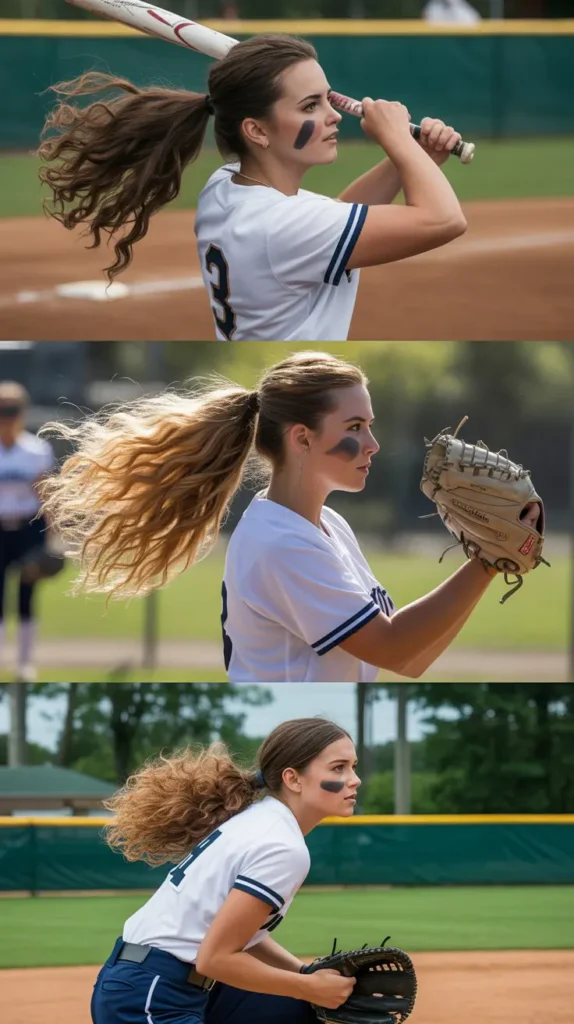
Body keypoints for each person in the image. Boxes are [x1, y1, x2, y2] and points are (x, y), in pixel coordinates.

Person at [38, 351, 542, 684]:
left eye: (370, 425)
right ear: (301, 437)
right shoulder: (281, 542)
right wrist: (484, 562)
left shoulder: (326, 526)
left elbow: (409, 660)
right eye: (355, 426)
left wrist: (492, 558)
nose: (372, 443)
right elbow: (392, 646)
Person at [39, 34, 467, 342]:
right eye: (309, 106)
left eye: (325, 100)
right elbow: (445, 220)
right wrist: (395, 138)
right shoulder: (284, 226)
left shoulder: (226, 188)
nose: (333, 116)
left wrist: (412, 158)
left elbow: (336, 218)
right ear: (257, 131)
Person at [91, 717, 359, 1024]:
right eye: (339, 768)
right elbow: (215, 958)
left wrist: (302, 973)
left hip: (157, 981)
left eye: (353, 766)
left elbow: (243, 935)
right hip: (151, 996)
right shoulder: (282, 846)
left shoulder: (260, 820)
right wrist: (308, 986)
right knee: (302, 998)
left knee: (296, 1012)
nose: (354, 779)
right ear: (293, 779)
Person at [0, 382, 55, 682]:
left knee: (25, 595)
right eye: (1, 410)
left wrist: (53, 535)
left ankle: (24, 663)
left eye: (12, 410)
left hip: (28, 527)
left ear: (22, 413)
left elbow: (46, 495)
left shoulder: (36, 450)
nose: (6, 416)